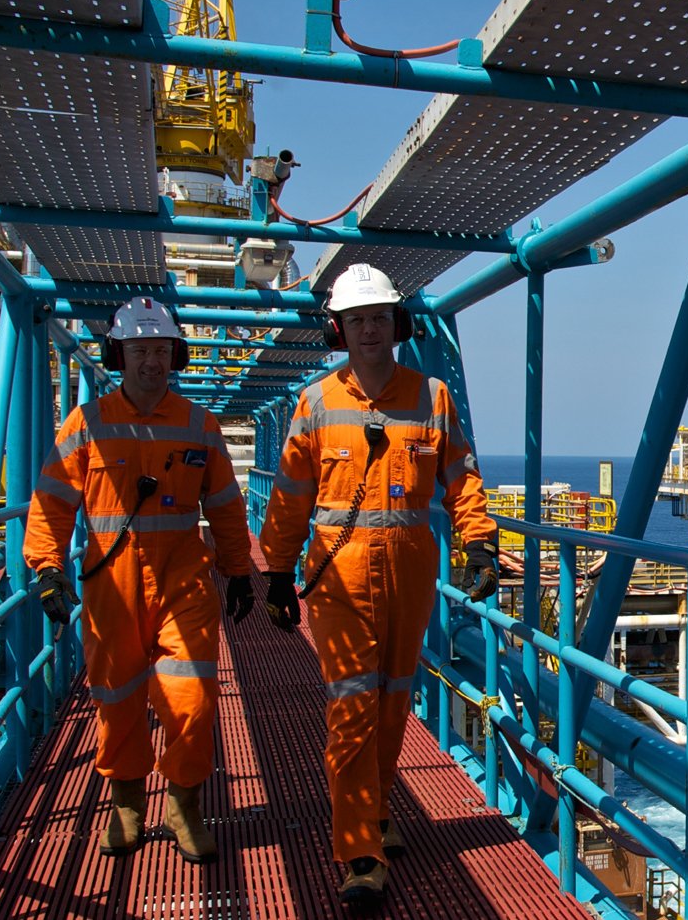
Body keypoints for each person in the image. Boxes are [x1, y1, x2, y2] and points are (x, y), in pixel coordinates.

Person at [258, 263, 500, 907]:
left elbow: (462, 479)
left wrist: (478, 541)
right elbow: (288, 495)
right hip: (338, 574)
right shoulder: (315, 403)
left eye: (378, 318)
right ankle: (358, 849)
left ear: (397, 325)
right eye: (357, 319)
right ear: (340, 329)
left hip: (411, 569)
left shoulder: (433, 397)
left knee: (395, 701)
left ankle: (378, 809)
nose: (369, 329)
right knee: (353, 706)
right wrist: (277, 570)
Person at [25, 296, 256, 864]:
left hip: (183, 576)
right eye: (139, 350)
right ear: (119, 354)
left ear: (174, 354)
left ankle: (184, 804)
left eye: (159, 349)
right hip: (112, 582)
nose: (150, 360)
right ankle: (126, 803)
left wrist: (239, 569)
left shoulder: (198, 424)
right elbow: (52, 502)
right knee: (118, 696)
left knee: (193, 696)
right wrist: (48, 567)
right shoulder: (89, 423)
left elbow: (226, 504)